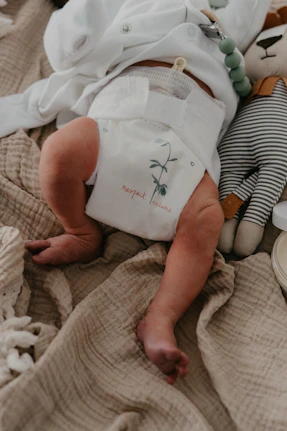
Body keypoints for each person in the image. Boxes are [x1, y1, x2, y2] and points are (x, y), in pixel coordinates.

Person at [0, 0, 271, 384]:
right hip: (121, 119)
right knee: (60, 151)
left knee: (206, 218)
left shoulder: (221, 18)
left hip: (189, 146)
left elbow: (250, 13)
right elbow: (66, 47)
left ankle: (161, 316)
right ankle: (81, 231)